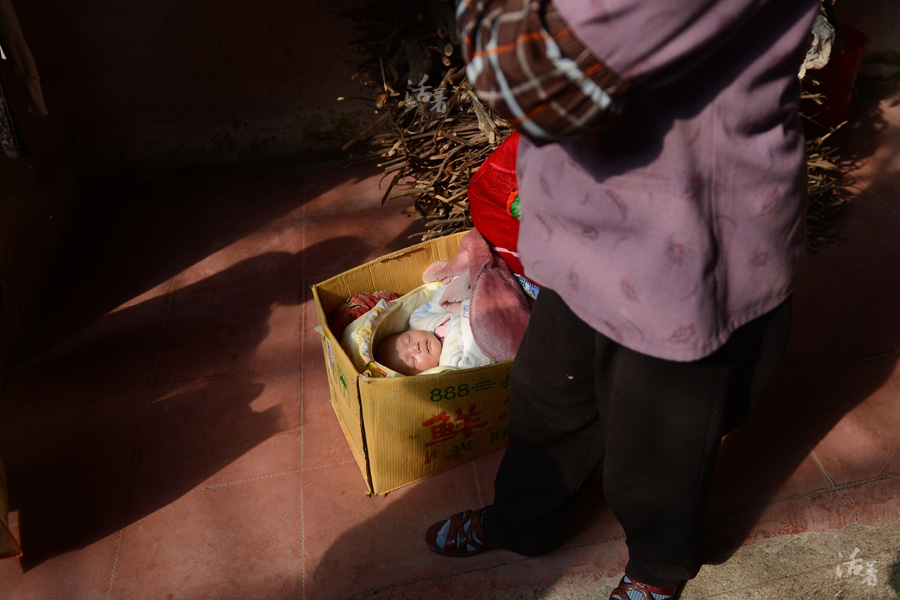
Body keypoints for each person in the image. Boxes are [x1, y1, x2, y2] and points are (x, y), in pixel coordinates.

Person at [425, 1, 820, 599]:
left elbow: (539, 79)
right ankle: (526, 519)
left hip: (680, 241)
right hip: (587, 220)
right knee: (548, 393)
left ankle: (658, 565)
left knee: (661, 436)